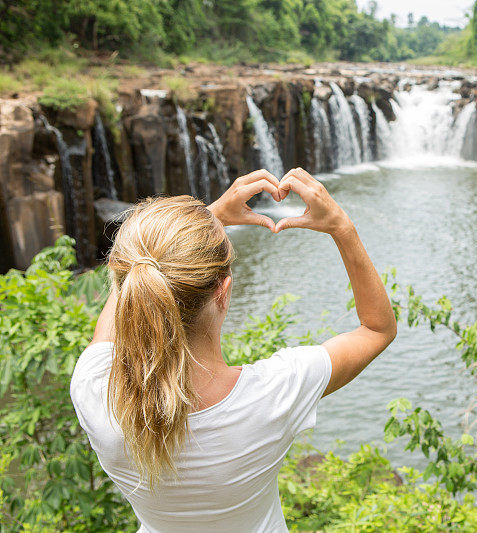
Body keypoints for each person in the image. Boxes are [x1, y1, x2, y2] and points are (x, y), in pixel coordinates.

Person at [70, 168, 397, 532]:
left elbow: (131, 287)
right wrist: (342, 227)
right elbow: (377, 328)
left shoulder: (95, 389)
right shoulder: (272, 395)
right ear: (223, 291)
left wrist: (197, 227)